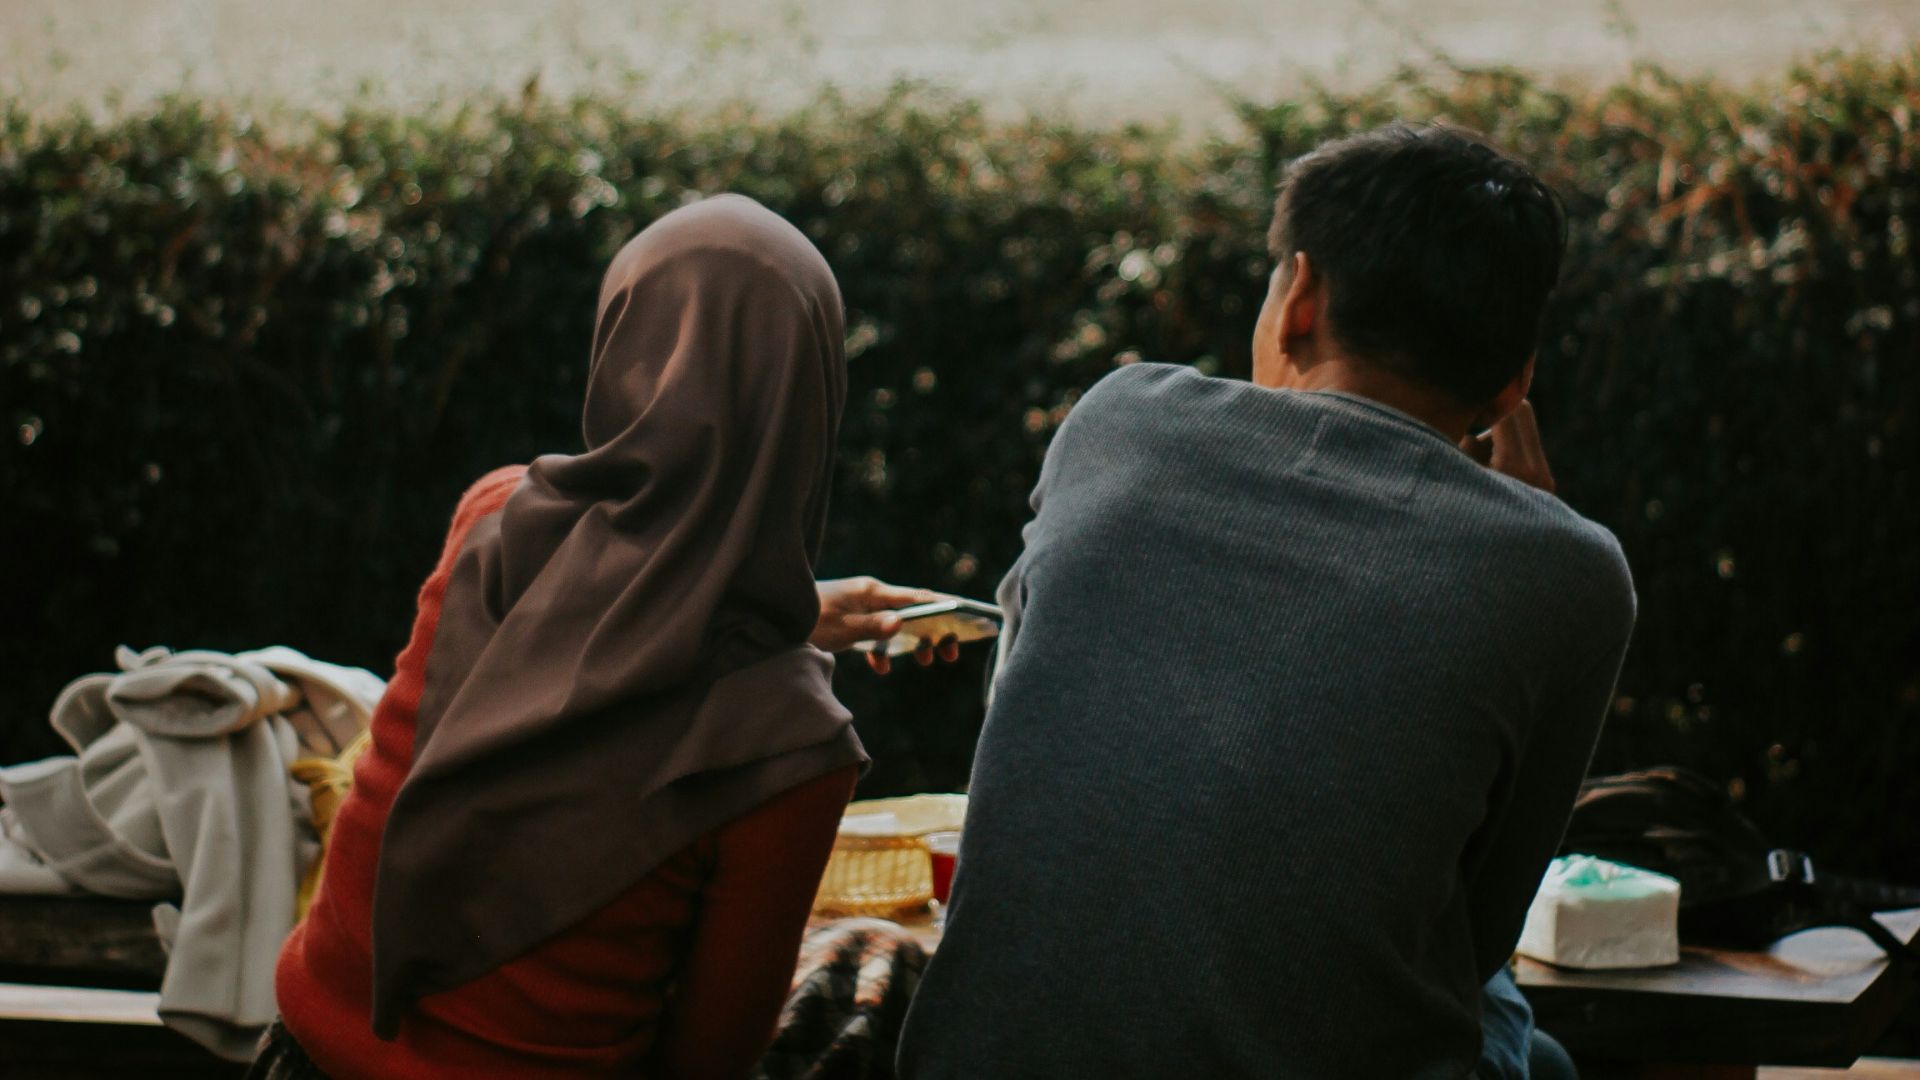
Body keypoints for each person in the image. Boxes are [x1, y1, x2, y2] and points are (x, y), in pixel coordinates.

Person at [897, 123, 1636, 1079]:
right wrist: (1530, 545)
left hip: (983, 1061)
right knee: (1521, 1034)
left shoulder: (1120, 422)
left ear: (1299, 298)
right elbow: (1481, 924)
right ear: (1515, 383)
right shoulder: (1570, 572)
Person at [259, 194, 902, 1079]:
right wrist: (769, 627)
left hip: (303, 1056)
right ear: (809, 395)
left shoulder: (493, 522)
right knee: (874, 982)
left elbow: (599, 639)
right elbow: (707, 1062)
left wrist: (781, 612)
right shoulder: (791, 740)